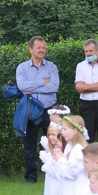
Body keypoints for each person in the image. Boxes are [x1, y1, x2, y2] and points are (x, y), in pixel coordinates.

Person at [16, 36, 60, 184]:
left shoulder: (51, 67)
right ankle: (31, 176)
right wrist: (43, 82)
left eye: (43, 48)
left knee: (55, 142)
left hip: (49, 111)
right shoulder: (22, 68)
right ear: (31, 49)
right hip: (30, 110)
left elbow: (54, 87)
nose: (42, 50)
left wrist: (31, 87)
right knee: (29, 145)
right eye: (38, 47)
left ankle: (57, 172)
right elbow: (22, 87)